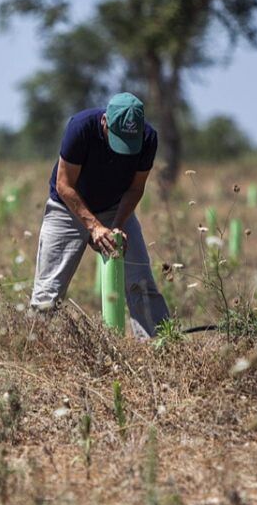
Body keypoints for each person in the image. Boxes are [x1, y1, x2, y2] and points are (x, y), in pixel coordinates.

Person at [30, 92, 170, 338]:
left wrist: (116, 226)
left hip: (115, 208)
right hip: (67, 208)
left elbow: (136, 188)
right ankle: (34, 349)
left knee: (141, 282)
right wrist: (94, 227)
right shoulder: (80, 128)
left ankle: (160, 347)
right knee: (48, 291)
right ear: (105, 121)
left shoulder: (148, 138)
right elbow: (64, 185)